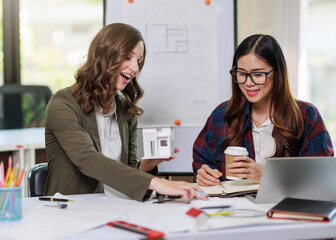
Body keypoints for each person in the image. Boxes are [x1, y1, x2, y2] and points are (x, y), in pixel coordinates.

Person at [43, 23, 206, 202]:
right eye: (128, 57)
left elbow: (128, 172)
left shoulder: (125, 109)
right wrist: (157, 182)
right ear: (104, 55)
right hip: (70, 208)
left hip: (117, 206)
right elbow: (88, 159)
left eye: (139, 61)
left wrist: (145, 167)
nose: (135, 68)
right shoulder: (63, 103)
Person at [193, 34, 334, 186]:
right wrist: (202, 176)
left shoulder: (306, 116)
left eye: (258, 75)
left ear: (278, 73)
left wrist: (266, 177)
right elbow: (201, 164)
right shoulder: (221, 116)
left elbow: (322, 181)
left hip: (284, 209)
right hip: (232, 210)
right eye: (242, 74)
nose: (248, 83)